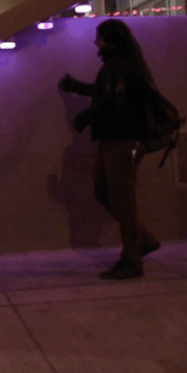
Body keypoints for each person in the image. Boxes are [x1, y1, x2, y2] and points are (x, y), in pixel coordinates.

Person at [59, 19, 161, 280]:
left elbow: (111, 100)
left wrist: (85, 117)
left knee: (122, 202)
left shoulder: (121, 67)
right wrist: (76, 88)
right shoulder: (119, 68)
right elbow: (104, 93)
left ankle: (131, 260)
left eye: (100, 39)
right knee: (105, 193)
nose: (96, 43)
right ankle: (143, 241)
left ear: (112, 42)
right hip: (114, 140)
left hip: (123, 141)